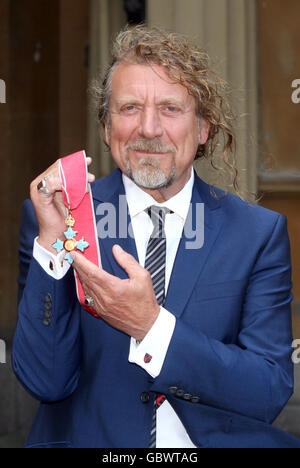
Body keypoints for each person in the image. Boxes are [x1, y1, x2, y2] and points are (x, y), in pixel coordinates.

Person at [13, 25, 300, 448]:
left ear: (203, 128)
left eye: (170, 108)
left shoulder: (258, 233)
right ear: (107, 128)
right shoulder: (61, 217)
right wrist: (52, 249)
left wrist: (151, 326)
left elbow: (267, 392)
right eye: (129, 108)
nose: (148, 128)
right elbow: (45, 380)